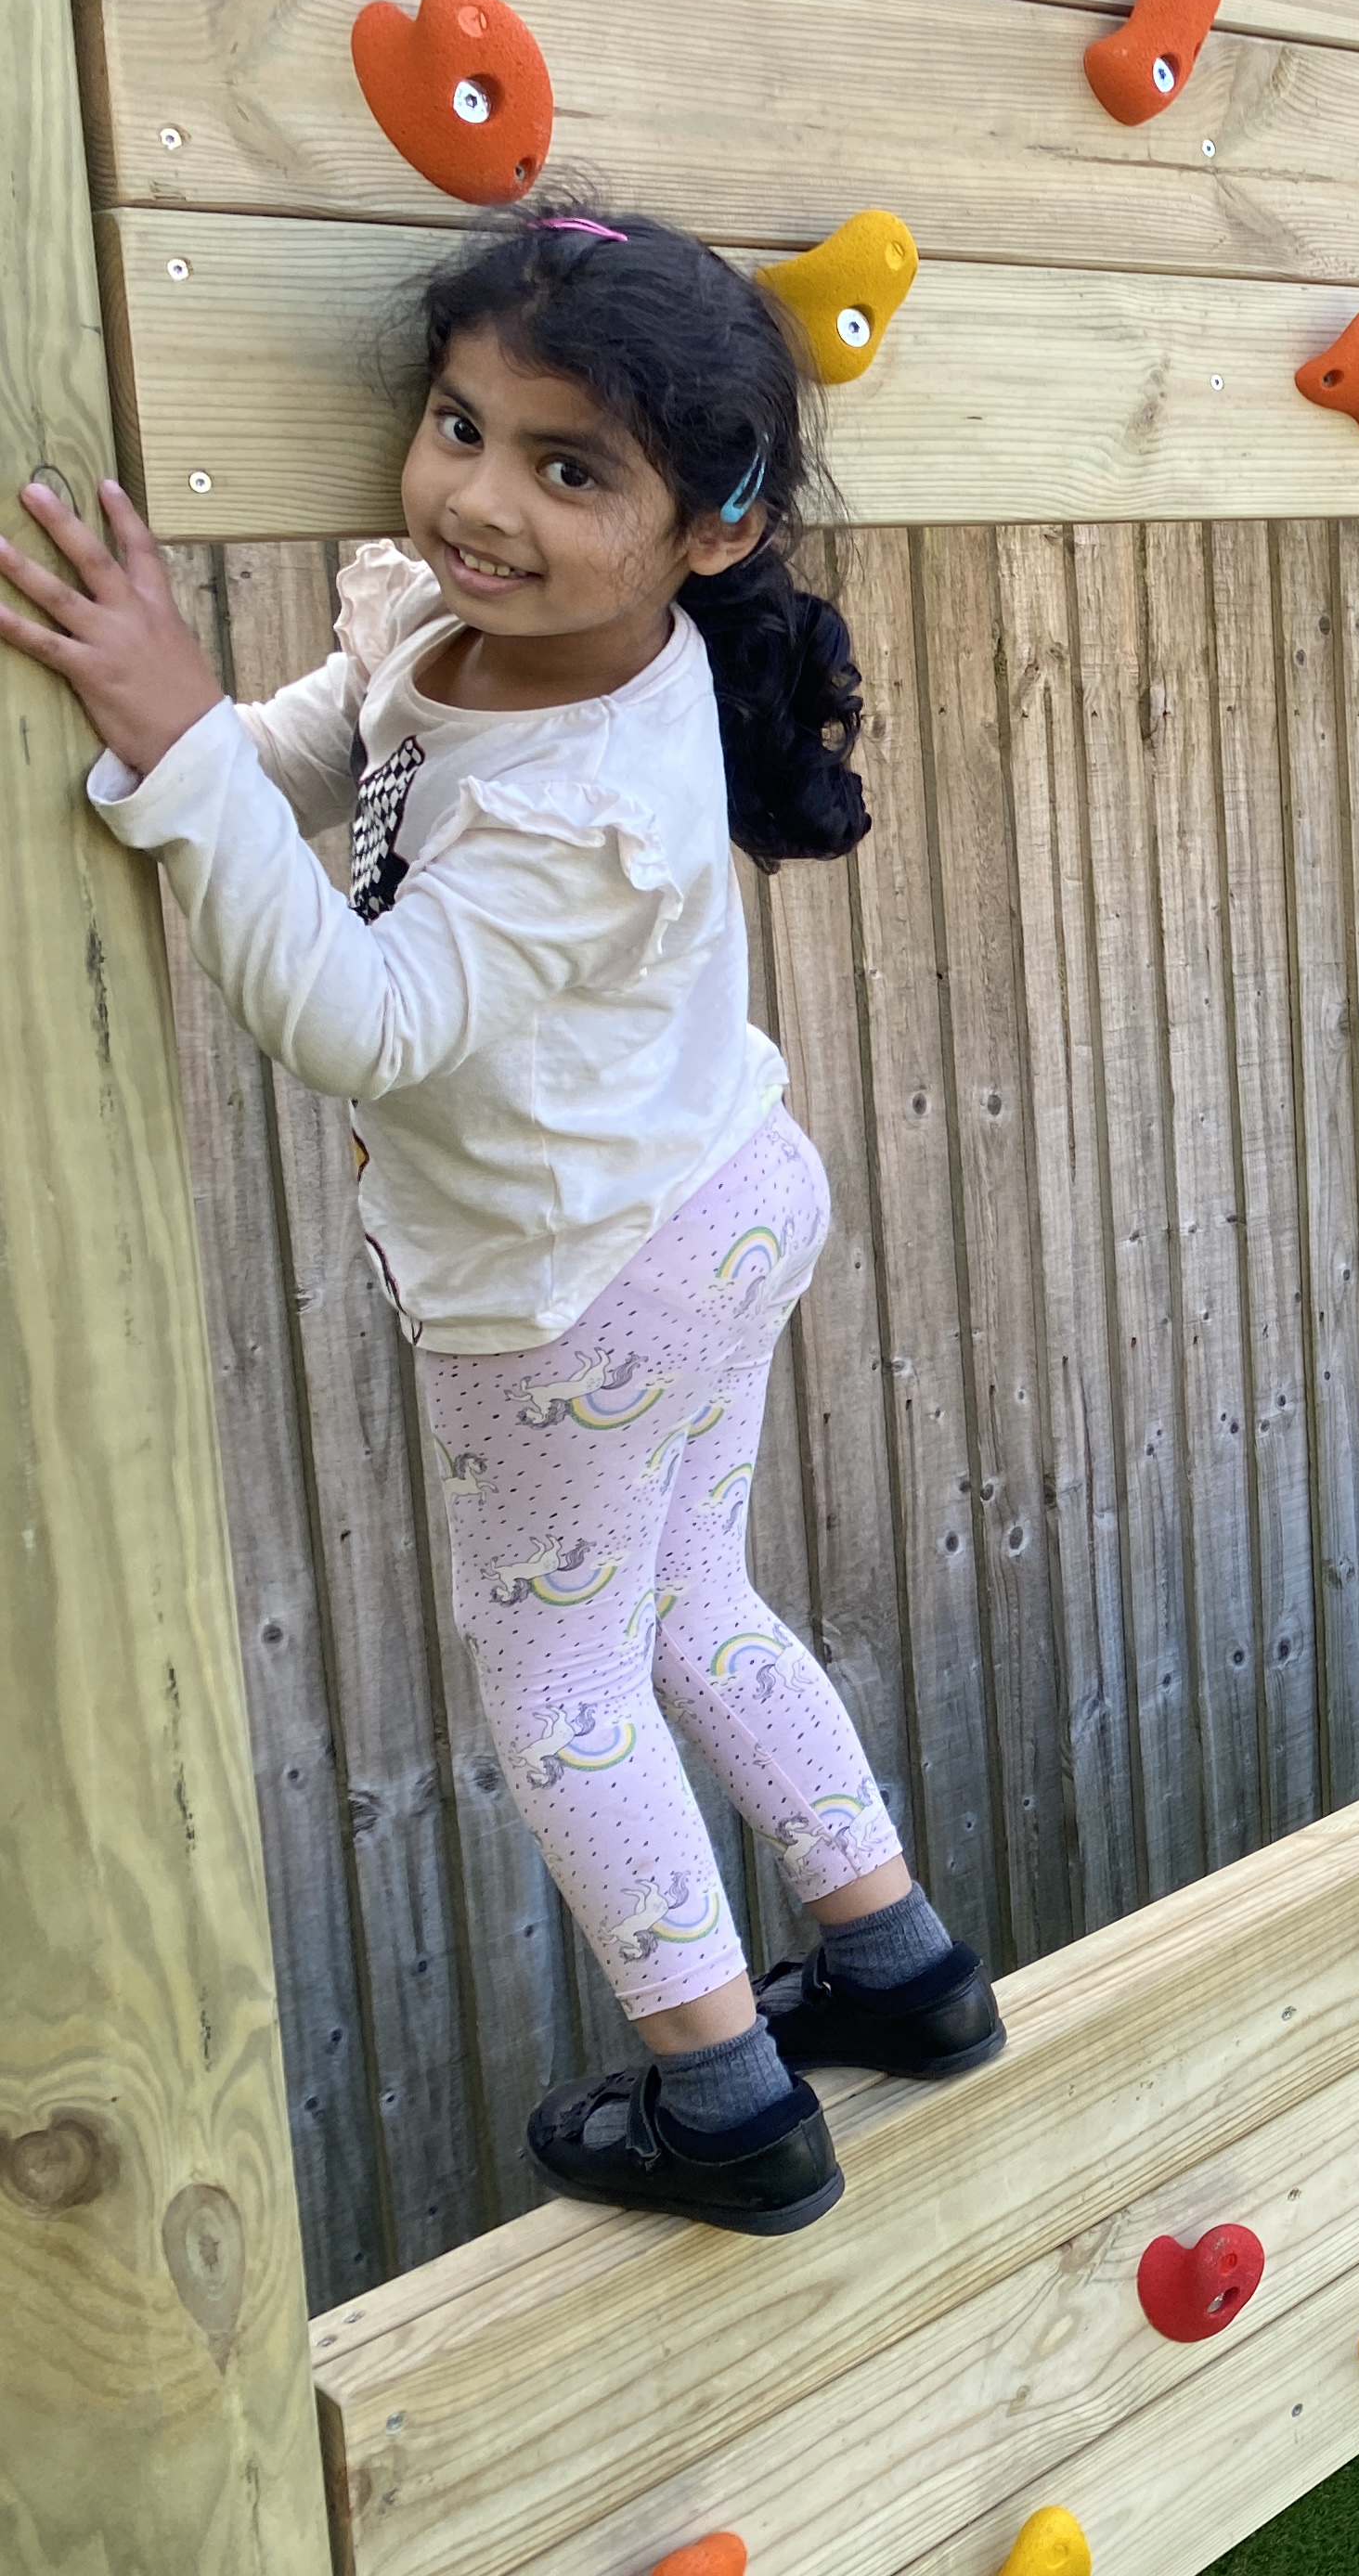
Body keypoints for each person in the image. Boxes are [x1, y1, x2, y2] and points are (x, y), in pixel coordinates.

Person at [0, 205, 1000, 2235]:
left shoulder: (587, 801)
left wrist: (180, 755)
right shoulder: (481, 643)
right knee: (692, 1600)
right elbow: (338, 750)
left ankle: (726, 2097)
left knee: (560, 1688)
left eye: (570, 470)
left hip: (576, 1291)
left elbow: (361, 1024)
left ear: (710, 529)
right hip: (715, 1204)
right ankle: (898, 1970)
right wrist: (196, 743)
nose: (479, 497)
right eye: (460, 424)